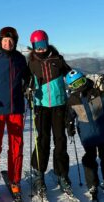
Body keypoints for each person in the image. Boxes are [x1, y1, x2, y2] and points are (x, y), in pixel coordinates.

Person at [0, 26, 30, 201]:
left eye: (11, 41)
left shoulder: (20, 59)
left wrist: (28, 86)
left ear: (15, 42)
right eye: (4, 41)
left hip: (16, 108)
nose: (8, 43)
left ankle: (15, 180)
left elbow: (27, 77)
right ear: (0, 42)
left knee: (16, 147)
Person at [27, 29, 72, 198]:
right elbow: (26, 80)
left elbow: (70, 74)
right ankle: (39, 174)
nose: (40, 48)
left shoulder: (57, 59)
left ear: (47, 43)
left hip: (59, 104)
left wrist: (83, 82)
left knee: (60, 140)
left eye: (42, 44)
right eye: (37, 45)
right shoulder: (31, 62)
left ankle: (61, 174)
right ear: (33, 46)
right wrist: (27, 89)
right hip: (41, 106)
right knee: (43, 139)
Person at [65, 70, 104, 201]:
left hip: (102, 131)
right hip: (87, 135)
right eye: (75, 84)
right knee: (89, 159)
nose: (80, 86)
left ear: (85, 79)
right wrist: (69, 125)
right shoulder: (73, 99)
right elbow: (69, 114)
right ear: (71, 87)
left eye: (81, 81)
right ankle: (92, 185)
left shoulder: (95, 92)